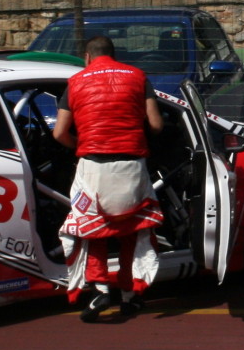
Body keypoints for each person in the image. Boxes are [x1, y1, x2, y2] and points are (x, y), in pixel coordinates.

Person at [54, 36, 166, 323]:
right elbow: (156, 124)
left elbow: (59, 133)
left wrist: (81, 146)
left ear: (87, 57)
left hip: (92, 167)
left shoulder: (75, 82)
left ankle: (100, 288)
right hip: (133, 166)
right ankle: (130, 295)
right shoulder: (138, 76)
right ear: (114, 55)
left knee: (92, 228)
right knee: (132, 228)